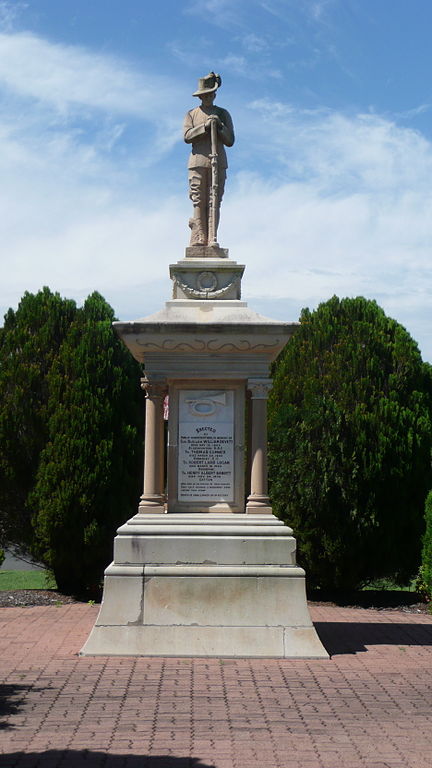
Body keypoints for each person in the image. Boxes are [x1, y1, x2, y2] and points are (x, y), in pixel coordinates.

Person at [183, 72, 235, 246]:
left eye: (210, 94)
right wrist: (204, 127)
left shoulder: (223, 113)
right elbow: (187, 135)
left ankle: (212, 236)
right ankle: (199, 236)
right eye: (204, 95)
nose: (207, 97)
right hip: (197, 162)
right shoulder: (192, 114)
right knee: (199, 200)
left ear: (214, 94)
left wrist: (219, 126)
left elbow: (230, 140)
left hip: (218, 162)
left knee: (214, 200)